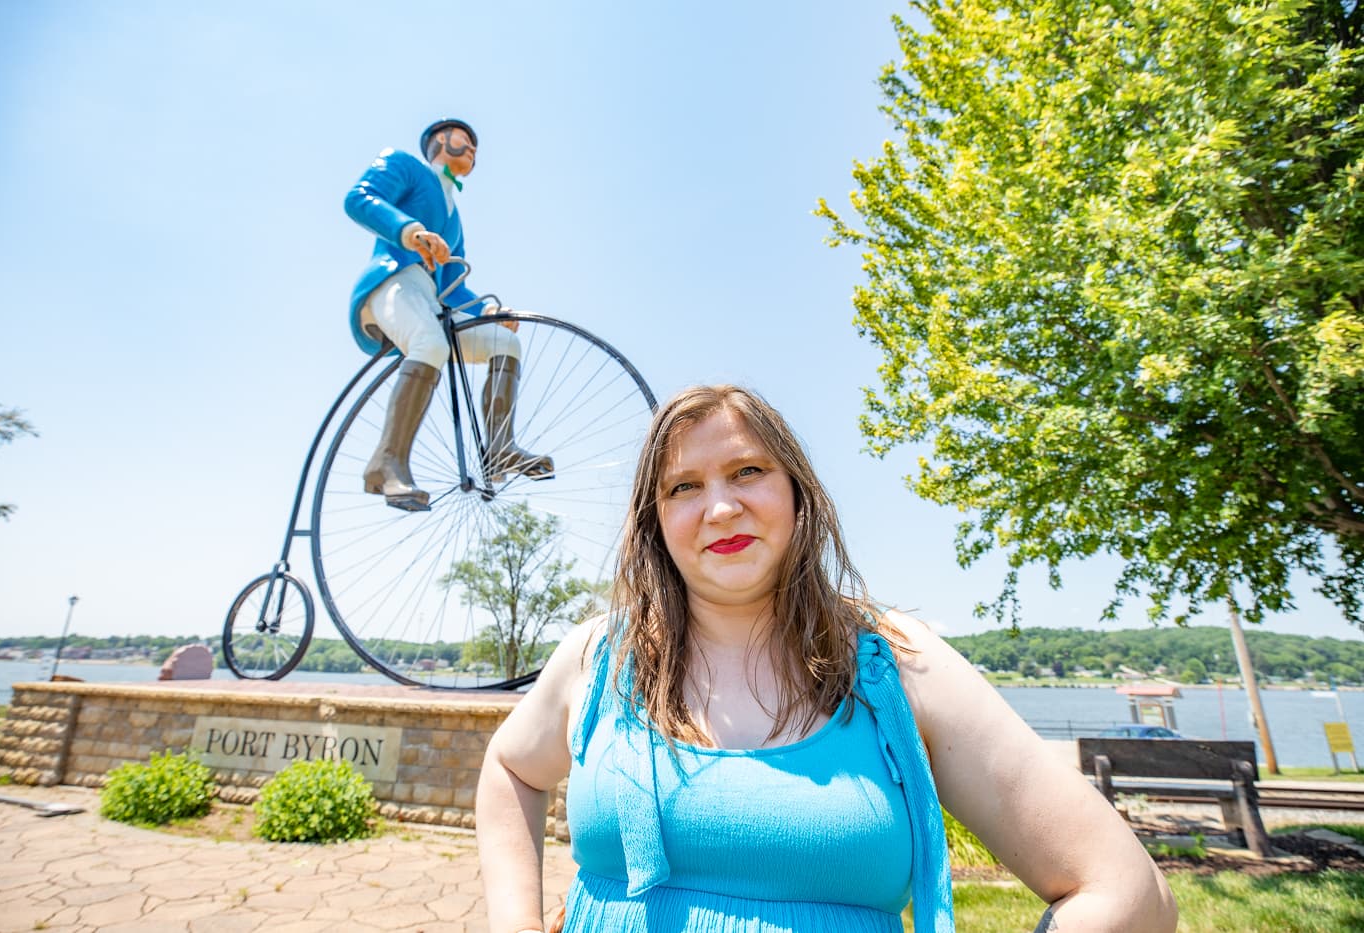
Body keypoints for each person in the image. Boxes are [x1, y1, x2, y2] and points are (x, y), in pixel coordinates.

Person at [475, 385, 1178, 933]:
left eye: (747, 470)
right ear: (656, 522)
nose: (719, 506)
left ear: (797, 495)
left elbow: (1125, 888)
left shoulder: (899, 663)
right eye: (683, 485)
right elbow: (509, 768)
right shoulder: (602, 655)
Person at [344, 117, 552, 511]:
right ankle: (385, 462)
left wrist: (487, 310)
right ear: (440, 140)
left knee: (504, 343)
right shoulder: (403, 164)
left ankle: (499, 448)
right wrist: (409, 231)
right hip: (394, 282)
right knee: (429, 341)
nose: (471, 147)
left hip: (431, 299)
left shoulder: (455, 216)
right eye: (462, 138)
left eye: (475, 145)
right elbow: (359, 198)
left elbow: (454, 281)